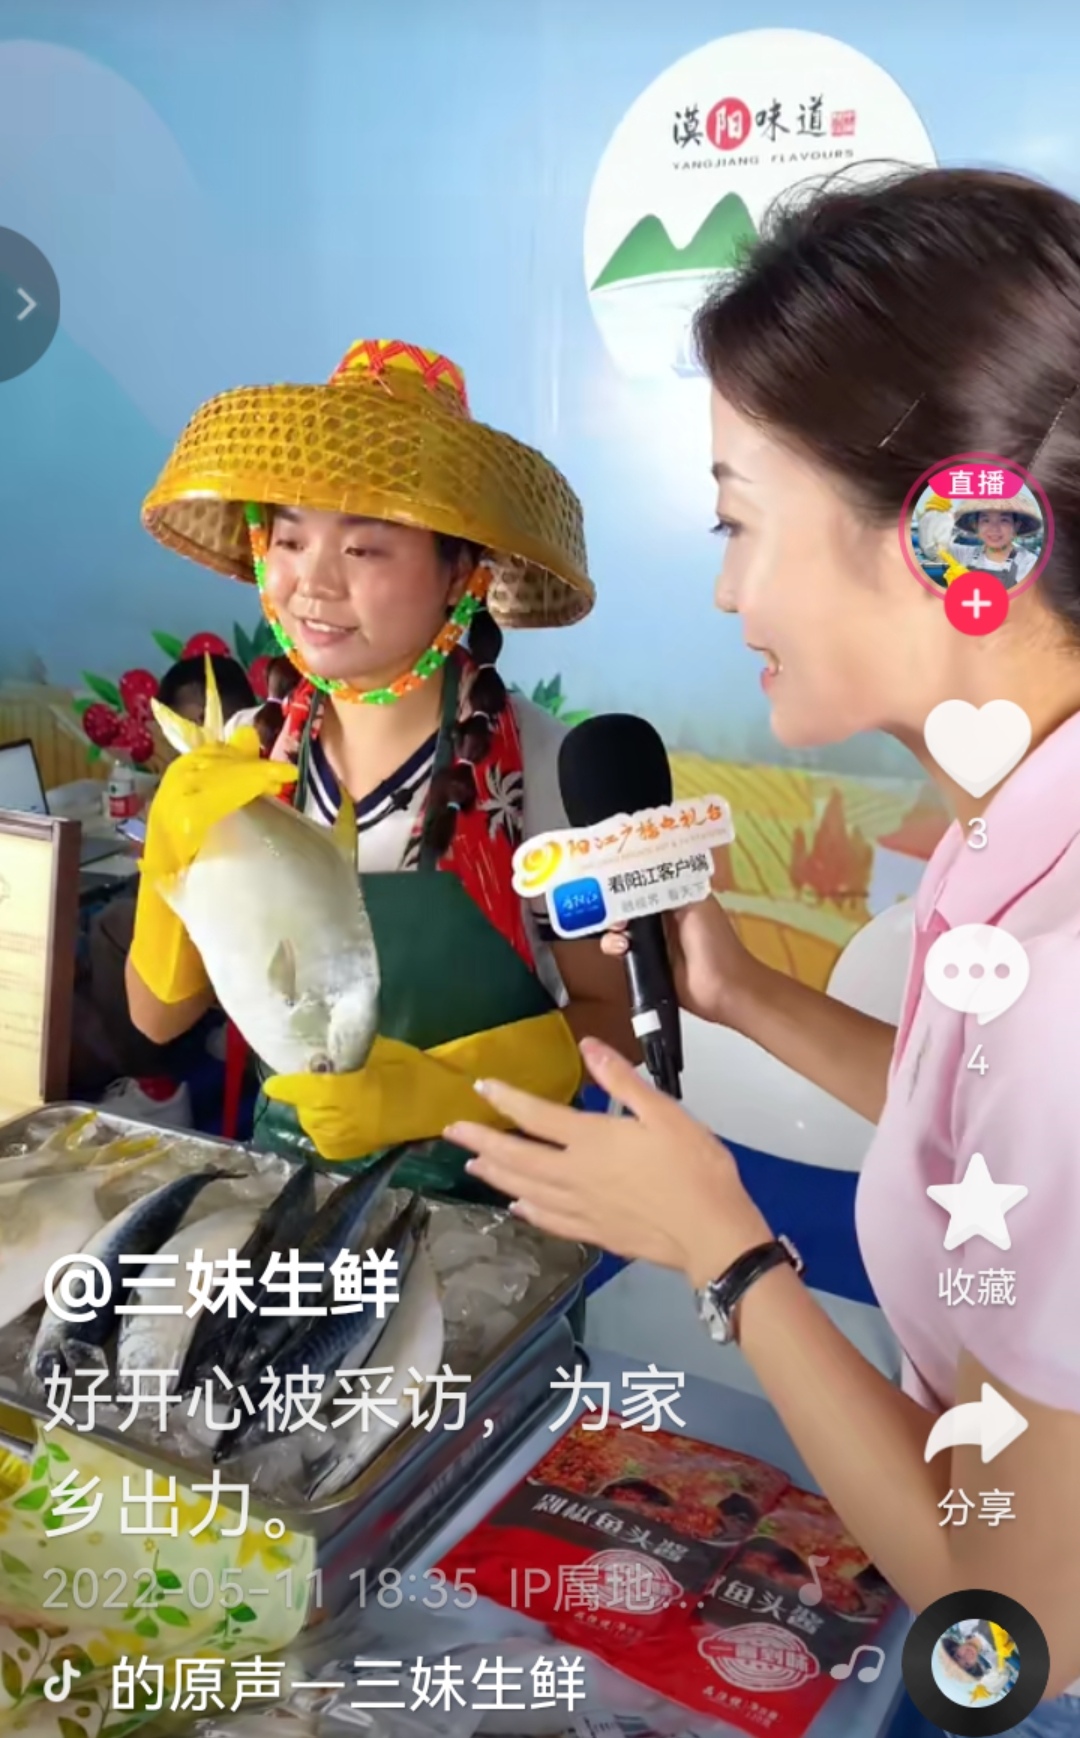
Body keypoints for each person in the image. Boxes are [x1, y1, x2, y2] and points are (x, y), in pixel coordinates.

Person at [447, 167, 1080, 1727]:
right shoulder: (1012, 821)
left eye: (740, 519)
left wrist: (725, 1255)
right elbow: (986, 1130)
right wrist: (735, 991)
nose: (728, 588)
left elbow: (1016, 1624)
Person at [125, 338, 635, 1198]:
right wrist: (169, 860)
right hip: (287, 1195)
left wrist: (441, 1093)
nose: (313, 584)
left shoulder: (543, 768)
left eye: (364, 550)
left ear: (460, 573)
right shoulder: (245, 756)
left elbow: (613, 1018)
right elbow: (156, 1019)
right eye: (290, 539)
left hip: (495, 1213)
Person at [69, 653, 256, 1109]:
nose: (165, 743)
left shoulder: (218, 775)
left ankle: (148, 1083)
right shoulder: (266, 753)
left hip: (228, 939)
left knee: (105, 927)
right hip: (223, 921)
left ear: (200, 718)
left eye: (171, 728)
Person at [917, 490, 1043, 589]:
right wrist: (934, 514)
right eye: (986, 520)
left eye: (1004, 520)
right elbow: (933, 549)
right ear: (975, 526)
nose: (994, 528)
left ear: (1016, 526)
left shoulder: (1029, 564)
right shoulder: (964, 554)